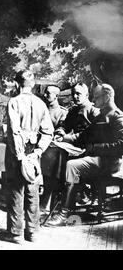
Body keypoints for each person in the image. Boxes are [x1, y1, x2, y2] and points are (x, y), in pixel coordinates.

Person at [46, 84, 123, 226]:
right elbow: (85, 135)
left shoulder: (117, 116)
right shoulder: (101, 114)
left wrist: (95, 148)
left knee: (72, 165)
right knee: (64, 162)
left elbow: (121, 146)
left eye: (96, 96)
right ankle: (69, 203)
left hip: (110, 162)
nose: (93, 99)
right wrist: (64, 138)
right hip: (98, 158)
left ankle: (64, 213)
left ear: (106, 97)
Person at [0, 70, 53, 243]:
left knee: (15, 189)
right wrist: (37, 152)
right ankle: (32, 232)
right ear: (33, 85)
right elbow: (48, 132)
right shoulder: (41, 104)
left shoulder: (13, 102)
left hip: (18, 152)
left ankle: (15, 233)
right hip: (34, 152)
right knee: (33, 190)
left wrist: (21, 156)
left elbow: (14, 132)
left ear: (16, 84)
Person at [54, 82, 101, 205]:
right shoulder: (73, 110)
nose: (75, 96)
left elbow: (92, 134)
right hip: (75, 146)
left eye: (78, 94)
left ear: (86, 94)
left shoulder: (94, 111)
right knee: (56, 157)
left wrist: (67, 138)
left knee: (70, 164)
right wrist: (60, 132)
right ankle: (73, 193)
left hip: (91, 148)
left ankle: (81, 193)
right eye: (73, 94)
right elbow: (64, 125)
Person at [39, 85, 68, 214]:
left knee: (52, 158)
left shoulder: (62, 112)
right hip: (39, 143)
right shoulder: (40, 109)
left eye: (48, 93)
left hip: (53, 147)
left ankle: (45, 201)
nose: (45, 95)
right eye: (45, 93)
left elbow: (62, 128)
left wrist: (58, 134)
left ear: (56, 96)